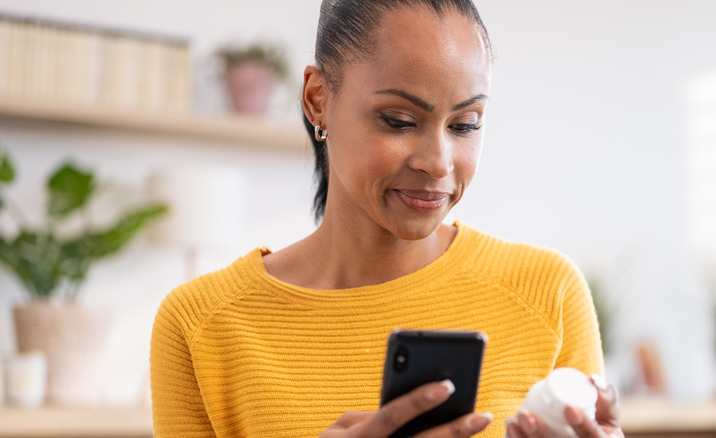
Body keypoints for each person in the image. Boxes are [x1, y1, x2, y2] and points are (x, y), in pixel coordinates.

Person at [150, 0, 623, 437]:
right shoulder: (201, 325)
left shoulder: (548, 292)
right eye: (398, 119)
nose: (438, 162)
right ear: (317, 99)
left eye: (465, 125)